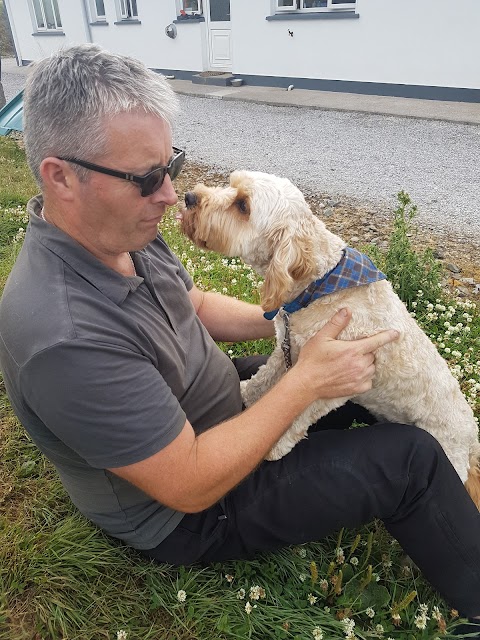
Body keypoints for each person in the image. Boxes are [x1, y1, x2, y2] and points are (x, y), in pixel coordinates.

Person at [0, 44, 479, 634]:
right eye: (148, 178)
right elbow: (191, 481)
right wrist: (305, 382)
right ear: (61, 177)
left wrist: (307, 311)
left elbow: (194, 304)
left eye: (170, 166)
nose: (171, 195)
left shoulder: (119, 227)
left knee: (360, 368)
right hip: (194, 508)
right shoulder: (62, 336)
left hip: (222, 410)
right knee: (409, 459)